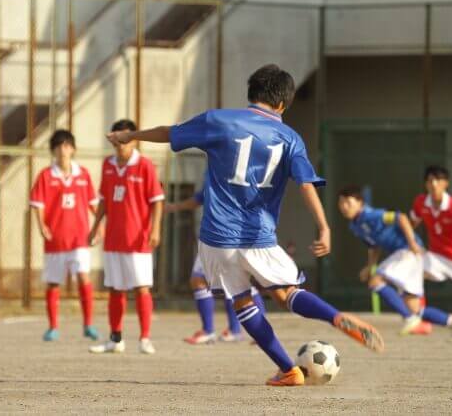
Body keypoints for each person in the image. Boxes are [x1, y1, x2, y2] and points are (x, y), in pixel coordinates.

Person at [106, 64, 384, 386]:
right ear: (282, 104)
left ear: (251, 94)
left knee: (241, 301)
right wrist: (325, 227)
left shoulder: (218, 120)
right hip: (259, 237)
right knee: (286, 293)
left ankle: (288, 369)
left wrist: (132, 135)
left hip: (216, 237)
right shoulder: (289, 137)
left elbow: (171, 133)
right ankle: (333, 317)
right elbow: (306, 184)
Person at [88, 119, 165, 355]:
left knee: (141, 288)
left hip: (138, 240)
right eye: (118, 139)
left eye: (125, 139)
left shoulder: (145, 166)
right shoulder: (108, 165)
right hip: (113, 239)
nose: (121, 145)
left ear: (134, 140)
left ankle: (144, 338)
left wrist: (155, 229)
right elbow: (104, 200)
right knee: (115, 289)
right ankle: (115, 339)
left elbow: (157, 201)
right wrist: (94, 227)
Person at [338, 186, 452, 335]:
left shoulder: (370, 215)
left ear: (360, 202)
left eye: (348, 202)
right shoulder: (355, 226)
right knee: (415, 309)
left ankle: (410, 319)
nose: (344, 207)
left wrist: (412, 243)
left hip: (407, 251)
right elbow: (374, 246)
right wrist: (370, 266)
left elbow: (401, 217)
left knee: (376, 282)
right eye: (341, 203)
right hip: (405, 256)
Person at [166, 184, 265, 344]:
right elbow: (199, 199)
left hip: (223, 236)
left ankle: (209, 330)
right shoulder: (221, 172)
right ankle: (241, 331)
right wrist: (175, 206)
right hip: (229, 235)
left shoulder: (229, 173)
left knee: (199, 279)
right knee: (234, 281)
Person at [30, 130, 99, 342]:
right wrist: (42, 225)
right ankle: (53, 327)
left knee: (83, 277)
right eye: (59, 146)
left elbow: (93, 205)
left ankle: (88, 324)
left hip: (80, 238)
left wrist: (100, 227)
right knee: (53, 283)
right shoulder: (45, 175)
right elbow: (38, 205)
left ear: (73, 149)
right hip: (56, 239)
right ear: (53, 150)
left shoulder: (83, 174)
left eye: (67, 146)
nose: (63, 150)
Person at [410, 166, 452, 342]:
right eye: (430, 180)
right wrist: (411, 244)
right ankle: (418, 319)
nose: (433, 184)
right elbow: (411, 224)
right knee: (413, 272)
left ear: (446, 183)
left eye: (438, 180)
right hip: (435, 257)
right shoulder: (421, 202)